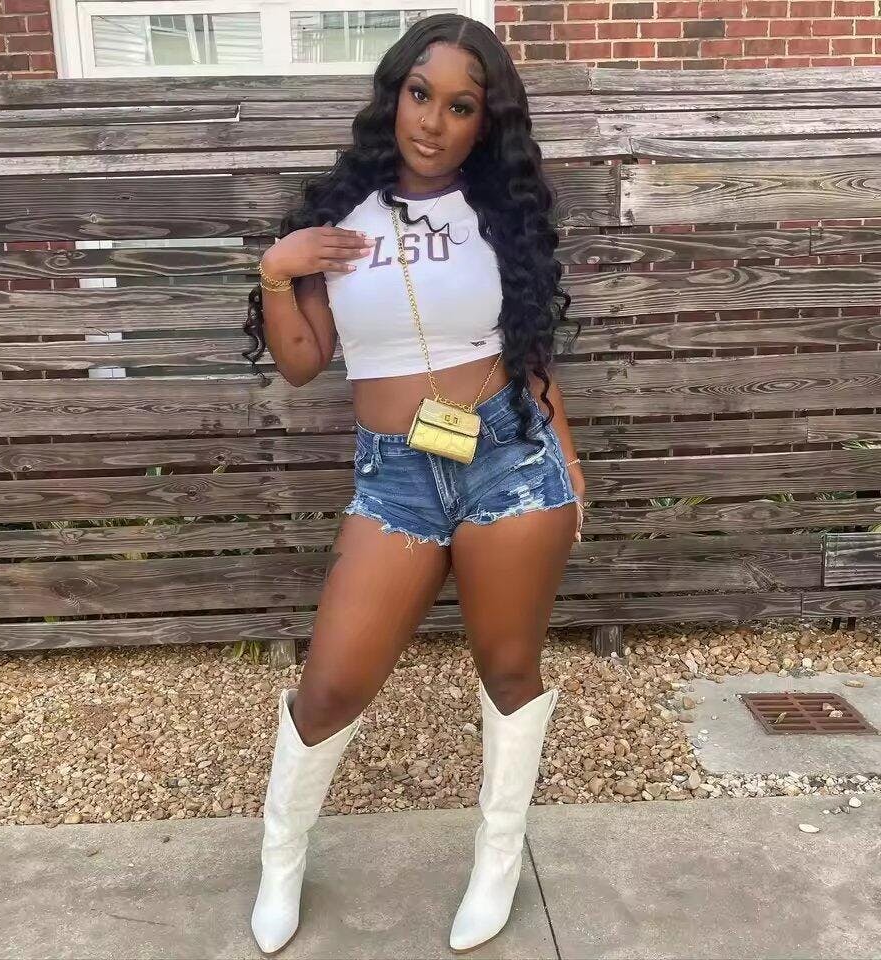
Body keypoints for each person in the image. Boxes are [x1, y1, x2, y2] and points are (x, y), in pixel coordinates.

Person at [241, 12, 587, 954]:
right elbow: (303, 364)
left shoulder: (501, 213)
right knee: (330, 684)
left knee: (509, 670)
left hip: (510, 461)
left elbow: (529, 352)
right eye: (420, 95)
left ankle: (498, 862)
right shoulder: (339, 217)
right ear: (394, 95)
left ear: (485, 121)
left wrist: (567, 461)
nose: (432, 122)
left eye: (460, 106)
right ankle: (280, 861)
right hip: (395, 476)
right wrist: (277, 271)